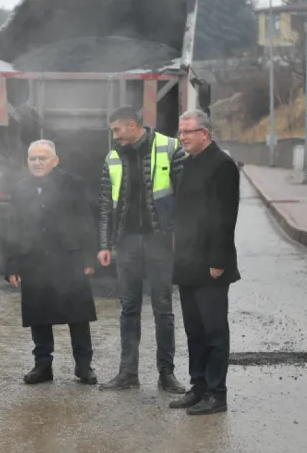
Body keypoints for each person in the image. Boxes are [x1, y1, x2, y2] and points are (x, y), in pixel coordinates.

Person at [97, 106, 187, 392]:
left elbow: (186, 196)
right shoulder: (112, 157)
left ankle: (167, 373)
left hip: (159, 241)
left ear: (133, 126)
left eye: (116, 130)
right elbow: (105, 206)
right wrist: (104, 244)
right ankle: (128, 373)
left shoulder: (170, 148)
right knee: (128, 308)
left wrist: (180, 237)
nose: (114, 136)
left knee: (163, 308)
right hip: (127, 244)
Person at [5, 139, 98, 385]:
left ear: (55, 160)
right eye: (33, 158)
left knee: (77, 315)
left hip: (69, 258)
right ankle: (42, 366)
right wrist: (12, 265)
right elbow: (12, 226)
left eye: (42, 158)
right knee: (39, 315)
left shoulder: (73, 184)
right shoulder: (20, 189)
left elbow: (86, 220)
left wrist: (89, 257)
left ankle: (84, 365)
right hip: (33, 259)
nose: (37, 162)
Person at [168, 109, 240, 416]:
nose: (182, 137)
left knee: (214, 331)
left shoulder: (222, 165)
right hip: (187, 261)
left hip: (212, 263)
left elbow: (225, 217)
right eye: (180, 132)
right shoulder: (187, 163)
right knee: (194, 331)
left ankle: (216, 393)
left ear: (205, 134)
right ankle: (197, 388)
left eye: (188, 132)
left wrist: (218, 260)